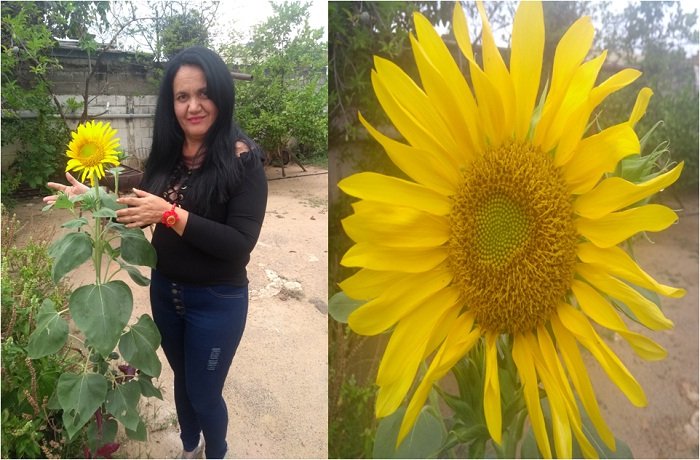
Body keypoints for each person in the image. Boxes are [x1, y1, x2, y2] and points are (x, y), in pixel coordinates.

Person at [45, 46, 268, 459]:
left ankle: (216, 451)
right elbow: (136, 201)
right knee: (182, 382)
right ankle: (189, 447)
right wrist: (94, 197)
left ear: (221, 94)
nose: (193, 106)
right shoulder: (169, 154)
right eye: (182, 97)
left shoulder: (243, 158)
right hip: (167, 293)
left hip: (217, 300)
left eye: (204, 93)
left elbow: (239, 246)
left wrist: (169, 214)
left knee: (204, 392)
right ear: (171, 103)